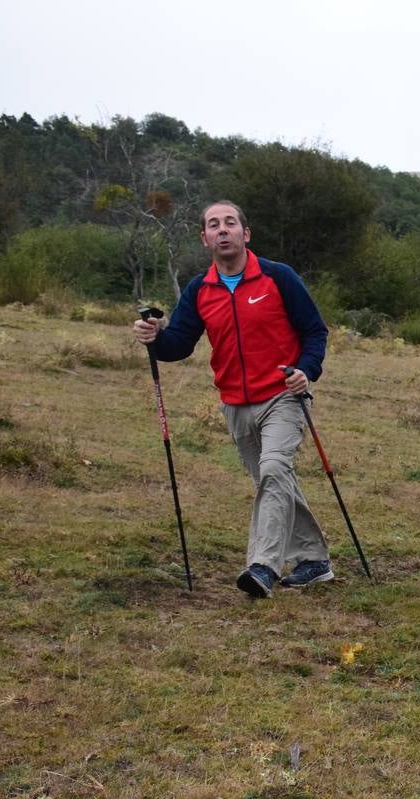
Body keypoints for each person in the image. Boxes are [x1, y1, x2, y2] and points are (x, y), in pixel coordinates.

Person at [132, 200, 332, 598]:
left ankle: (262, 567)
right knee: (271, 480)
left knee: (275, 469)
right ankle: (314, 560)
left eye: (229, 223)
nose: (222, 230)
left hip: (283, 394)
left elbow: (315, 332)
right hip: (234, 404)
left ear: (245, 233)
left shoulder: (279, 278)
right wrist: (155, 336)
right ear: (205, 238)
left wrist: (305, 370)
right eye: (213, 225)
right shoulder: (199, 290)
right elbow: (178, 346)